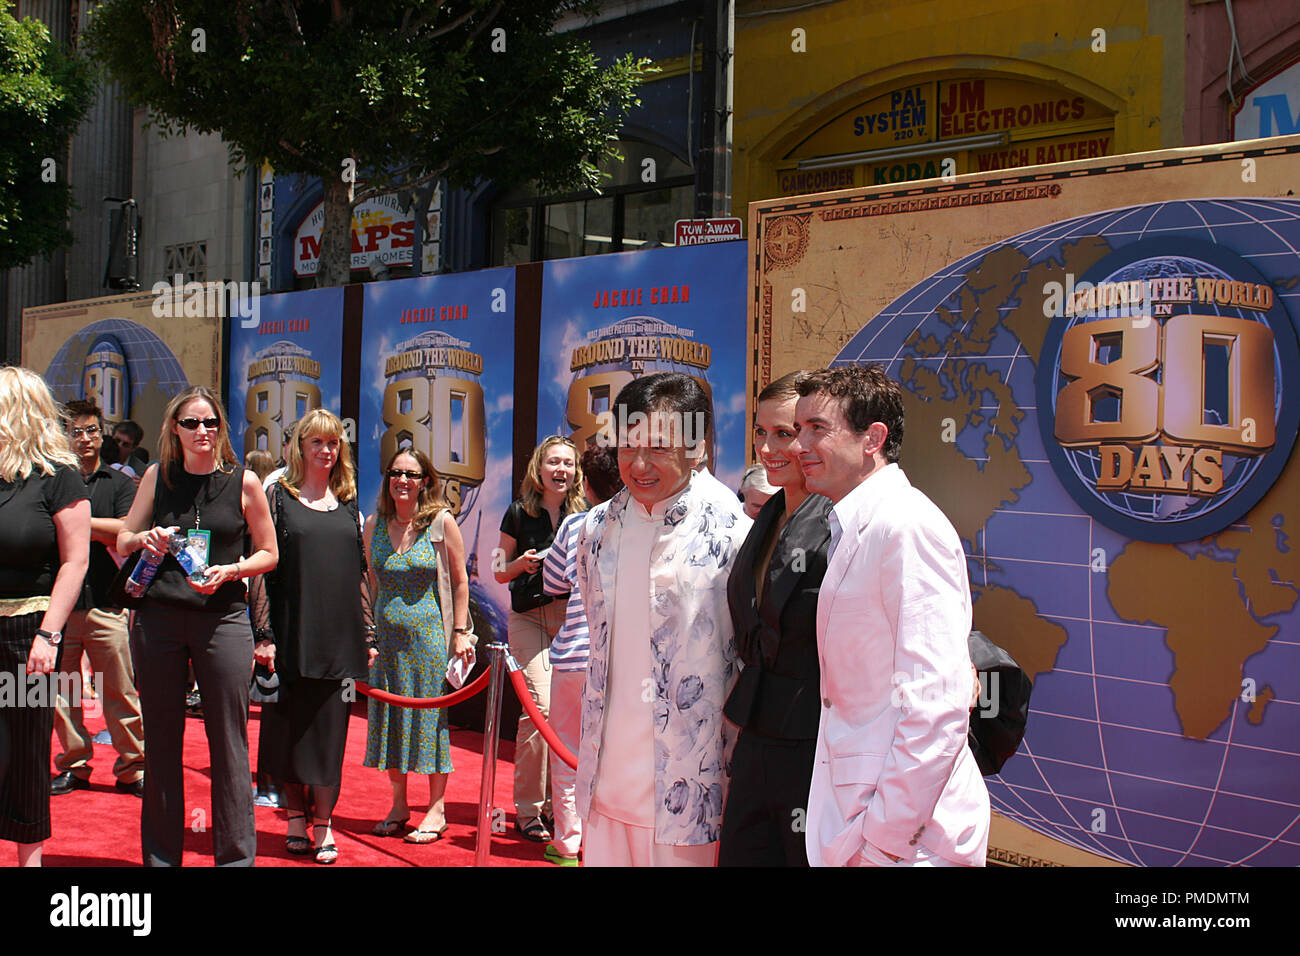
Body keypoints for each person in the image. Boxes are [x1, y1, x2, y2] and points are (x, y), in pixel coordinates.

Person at [791, 364, 988, 867]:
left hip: (908, 843)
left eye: (818, 428)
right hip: (861, 827)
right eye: (799, 430)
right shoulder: (857, 523)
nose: (798, 446)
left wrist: (883, 842)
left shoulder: (907, 526)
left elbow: (937, 707)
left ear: (872, 438)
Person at [573, 372, 752, 866]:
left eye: (658, 447)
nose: (639, 464)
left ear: (697, 447)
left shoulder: (733, 533)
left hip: (689, 784)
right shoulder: (594, 528)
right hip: (606, 774)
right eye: (627, 447)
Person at [117, 385, 278, 867]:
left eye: (210, 423)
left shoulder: (244, 481)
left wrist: (231, 571)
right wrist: (147, 537)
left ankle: (234, 859)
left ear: (221, 428)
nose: (202, 431)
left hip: (224, 620)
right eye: (192, 423)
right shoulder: (157, 477)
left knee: (229, 743)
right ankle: (161, 859)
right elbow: (124, 537)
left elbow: (270, 553)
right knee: (162, 742)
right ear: (175, 429)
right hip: (159, 619)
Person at [719, 372, 832, 867]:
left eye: (783, 434)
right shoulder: (768, 516)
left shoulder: (846, 520)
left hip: (817, 741)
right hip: (757, 732)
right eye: (760, 434)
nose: (767, 448)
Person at [249, 409, 372, 863]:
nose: (326, 450)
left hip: (340, 637)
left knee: (330, 733)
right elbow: (261, 566)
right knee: (287, 730)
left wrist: (370, 633)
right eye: (317, 442)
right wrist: (263, 633)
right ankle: (296, 818)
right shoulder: (277, 497)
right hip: (291, 632)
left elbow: (359, 573)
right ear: (300, 447)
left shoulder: (348, 503)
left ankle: (324, 823)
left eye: (333, 443)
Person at [0, 368, 91, 867]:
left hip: (28, 633)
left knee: (27, 750)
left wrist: (49, 634)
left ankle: (28, 862)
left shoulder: (59, 476)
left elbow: (75, 561)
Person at [364, 447, 474, 843]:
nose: (403, 480)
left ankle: (436, 809)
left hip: (428, 642)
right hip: (386, 645)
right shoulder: (374, 524)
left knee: (429, 723)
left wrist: (460, 632)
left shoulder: (440, 522)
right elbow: (372, 582)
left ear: (426, 480)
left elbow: (461, 581)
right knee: (391, 721)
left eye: (411, 474)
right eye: (396, 473)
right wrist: (371, 633)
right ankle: (398, 806)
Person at [50, 399, 146, 799]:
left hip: (108, 603)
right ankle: (74, 764)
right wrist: (96, 529)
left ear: (101, 433)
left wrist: (76, 523)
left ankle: (133, 768)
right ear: (64, 435)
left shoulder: (120, 483)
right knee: (63, 692)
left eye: (92, 430)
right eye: (76, 431)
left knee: (120, 690)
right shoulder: (52, 479)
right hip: (60, 605)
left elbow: (126, 530)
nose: (85, 439)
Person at [494, 436, 584, 843]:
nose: (561, 469)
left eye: (568, 463)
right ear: (539, 469)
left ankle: (557, 805)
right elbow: (498, 571)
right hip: (528, 619)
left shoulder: (585, 512)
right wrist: (521, 564)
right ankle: (527, 810)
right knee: (540, 710)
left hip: (571, 620)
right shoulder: (518, 513)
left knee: (566, 717)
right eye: (554, 462)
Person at [538, 444, 624, 866]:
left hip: (573, 657)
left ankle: (569, 842)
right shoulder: (636, 522)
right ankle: (605, 842)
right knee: (612, 754)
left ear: (586, 485)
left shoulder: (576, 524)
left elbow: (552, 580)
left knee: (566, 751)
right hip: (619, 662)